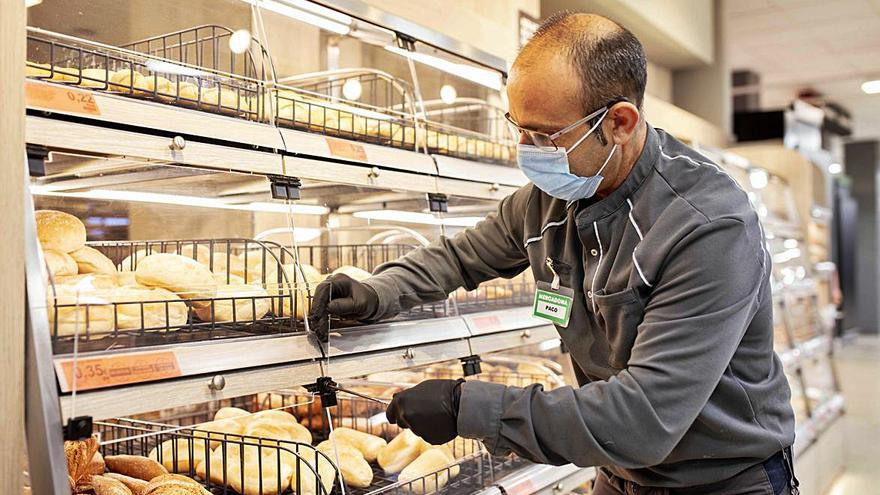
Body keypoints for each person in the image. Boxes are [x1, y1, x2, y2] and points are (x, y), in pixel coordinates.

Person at [309, 12, 798, 495]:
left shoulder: (707, 227)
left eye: (545, 135)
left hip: (721, 480)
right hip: (617, 471)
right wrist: (378, 291)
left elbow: (642, 420)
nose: (527, 150)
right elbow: (461, 256)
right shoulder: (551, 201)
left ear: (620, 123)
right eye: (518, 128)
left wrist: (467, 406)